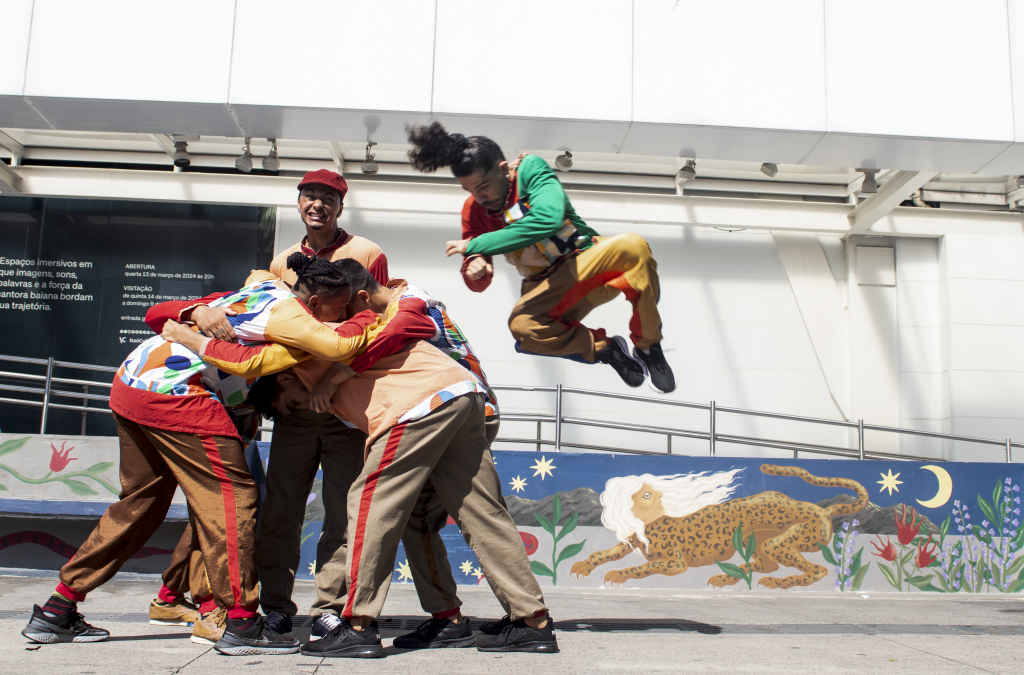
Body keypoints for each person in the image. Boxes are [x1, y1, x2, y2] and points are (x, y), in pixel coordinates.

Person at [162, 262, 558, 658]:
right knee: (482, 512)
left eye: (292, 404)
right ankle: (532, 621)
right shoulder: (360, 323)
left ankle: (356, 625)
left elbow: (247, 361)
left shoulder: (304, 342)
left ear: (283, 383)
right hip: (464, 394)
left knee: (368, 504)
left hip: (416, 405)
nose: (305, 410)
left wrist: (187, 334)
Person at [20, 254, 380, 655]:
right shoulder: (296, 320)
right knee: (234, 500)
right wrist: (372, 317)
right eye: (341, 306)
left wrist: (193, 311)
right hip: (177, 393)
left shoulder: (266, 287)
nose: (344, 312)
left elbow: (171, 315)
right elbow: (337, 343)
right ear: (314, 303)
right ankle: (242, 621)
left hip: (132, 380)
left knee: (142, 503)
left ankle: (57, 607)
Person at [406, 121, 676, 394]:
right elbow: (478, 279)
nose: (479, 196)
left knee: (634, 246)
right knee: (523, 327)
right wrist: (475, 268)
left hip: (588, 263)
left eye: (484, 186)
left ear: (503, 169)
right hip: (549, 288)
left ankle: (648, 347)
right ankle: (607, 351)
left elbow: (547, 219)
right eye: (470, 190)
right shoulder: (474, 210)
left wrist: (476, 244)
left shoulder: (530, 169)